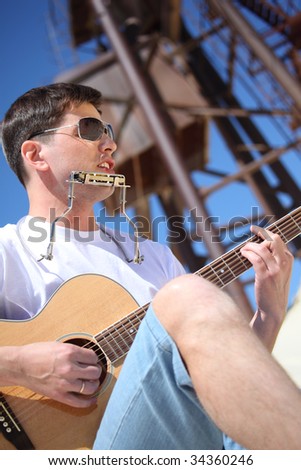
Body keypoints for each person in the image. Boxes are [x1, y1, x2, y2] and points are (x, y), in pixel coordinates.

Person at [0, 82, 299, 450]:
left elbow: (224, 383)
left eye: (107, 131)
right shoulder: (7, 250)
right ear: (36, 154)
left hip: (183, 440)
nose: (110, 144)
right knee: (186, 294)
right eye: (90, 130)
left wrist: (269, 315)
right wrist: (19, 365)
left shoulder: (153, 254)